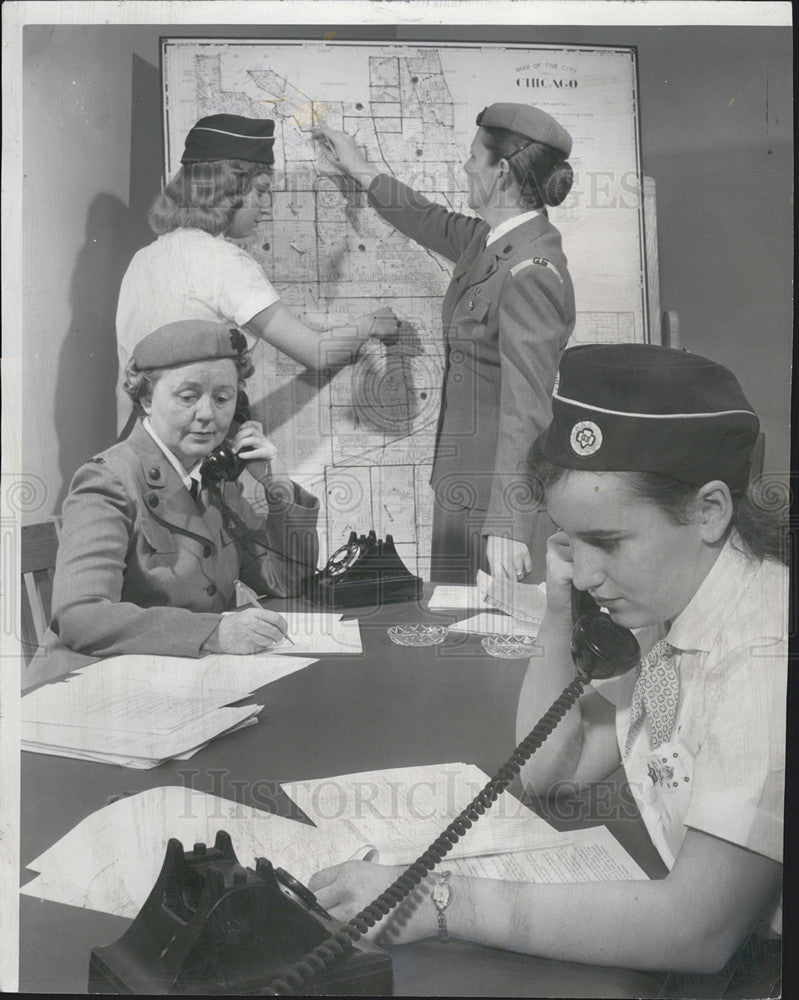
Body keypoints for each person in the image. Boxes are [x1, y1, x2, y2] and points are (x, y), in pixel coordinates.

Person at [307, 344, 786, 983]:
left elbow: (695, 929)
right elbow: (550, 772)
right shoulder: (676, 604)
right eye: (568, 540)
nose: (584, 572)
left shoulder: (762, 655)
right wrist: (562, 609)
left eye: (607, 542)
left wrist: (442, 900)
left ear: (709, 511)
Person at [315, 103, 576, 584]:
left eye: (474, 156)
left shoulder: (531, 272)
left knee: (492, 643)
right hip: (459, 490)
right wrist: (361, 170)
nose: (465, 166)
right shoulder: (492, 243)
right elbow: (428, 219)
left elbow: (528, 407)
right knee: (451, 632)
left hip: (495, 508)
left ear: (501, 172)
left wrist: (510, 524)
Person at [34, 319, 320, 688]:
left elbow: (285, 580)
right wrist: (213, 632)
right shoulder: (107, 481)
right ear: (147, 398)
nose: (207, 414)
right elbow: (81, 617)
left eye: (222, 398)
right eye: (188, 397)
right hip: (88, 689)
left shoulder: (214, 480)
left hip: (174, 681)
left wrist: (274, 483)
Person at [115, 114, 400, 435]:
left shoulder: (143, 259)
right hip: (189, 449)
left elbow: (124, 386)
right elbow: (315, 352)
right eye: (261, 190)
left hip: (137, 449)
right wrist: (371, 324)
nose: (267, 206)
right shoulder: (225, 262)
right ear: (227, 188)